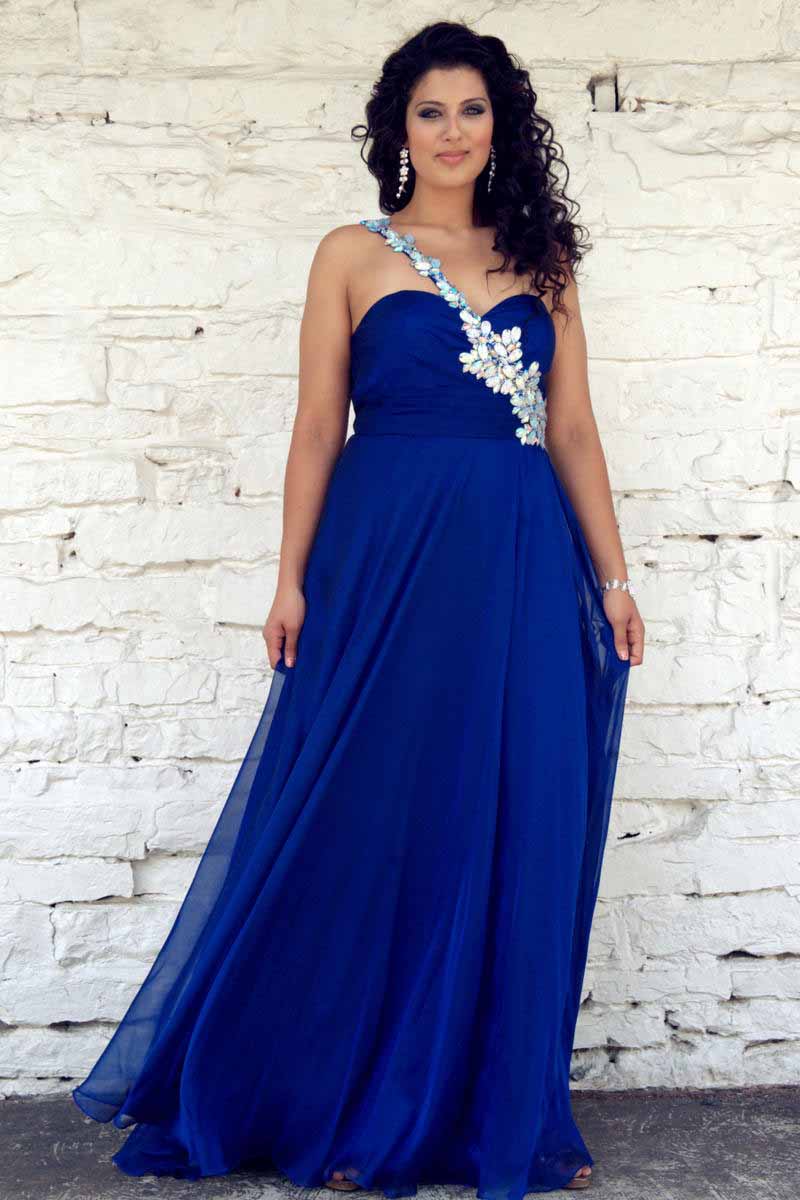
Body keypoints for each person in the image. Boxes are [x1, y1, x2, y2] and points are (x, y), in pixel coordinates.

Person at [71, 19, 644, 1199]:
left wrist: (614, 576)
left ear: (501, 128)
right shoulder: (350, 252)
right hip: (383, 559)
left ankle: (491, 1111)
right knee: (369, 808)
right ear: (398, 129)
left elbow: (574, 430)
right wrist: (288, 577)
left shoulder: (541, 259)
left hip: (517, 560)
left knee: (507, 809)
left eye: (471, 110)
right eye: (429, 111)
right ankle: (337, 1100)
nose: (451, 131)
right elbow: (312, 426)